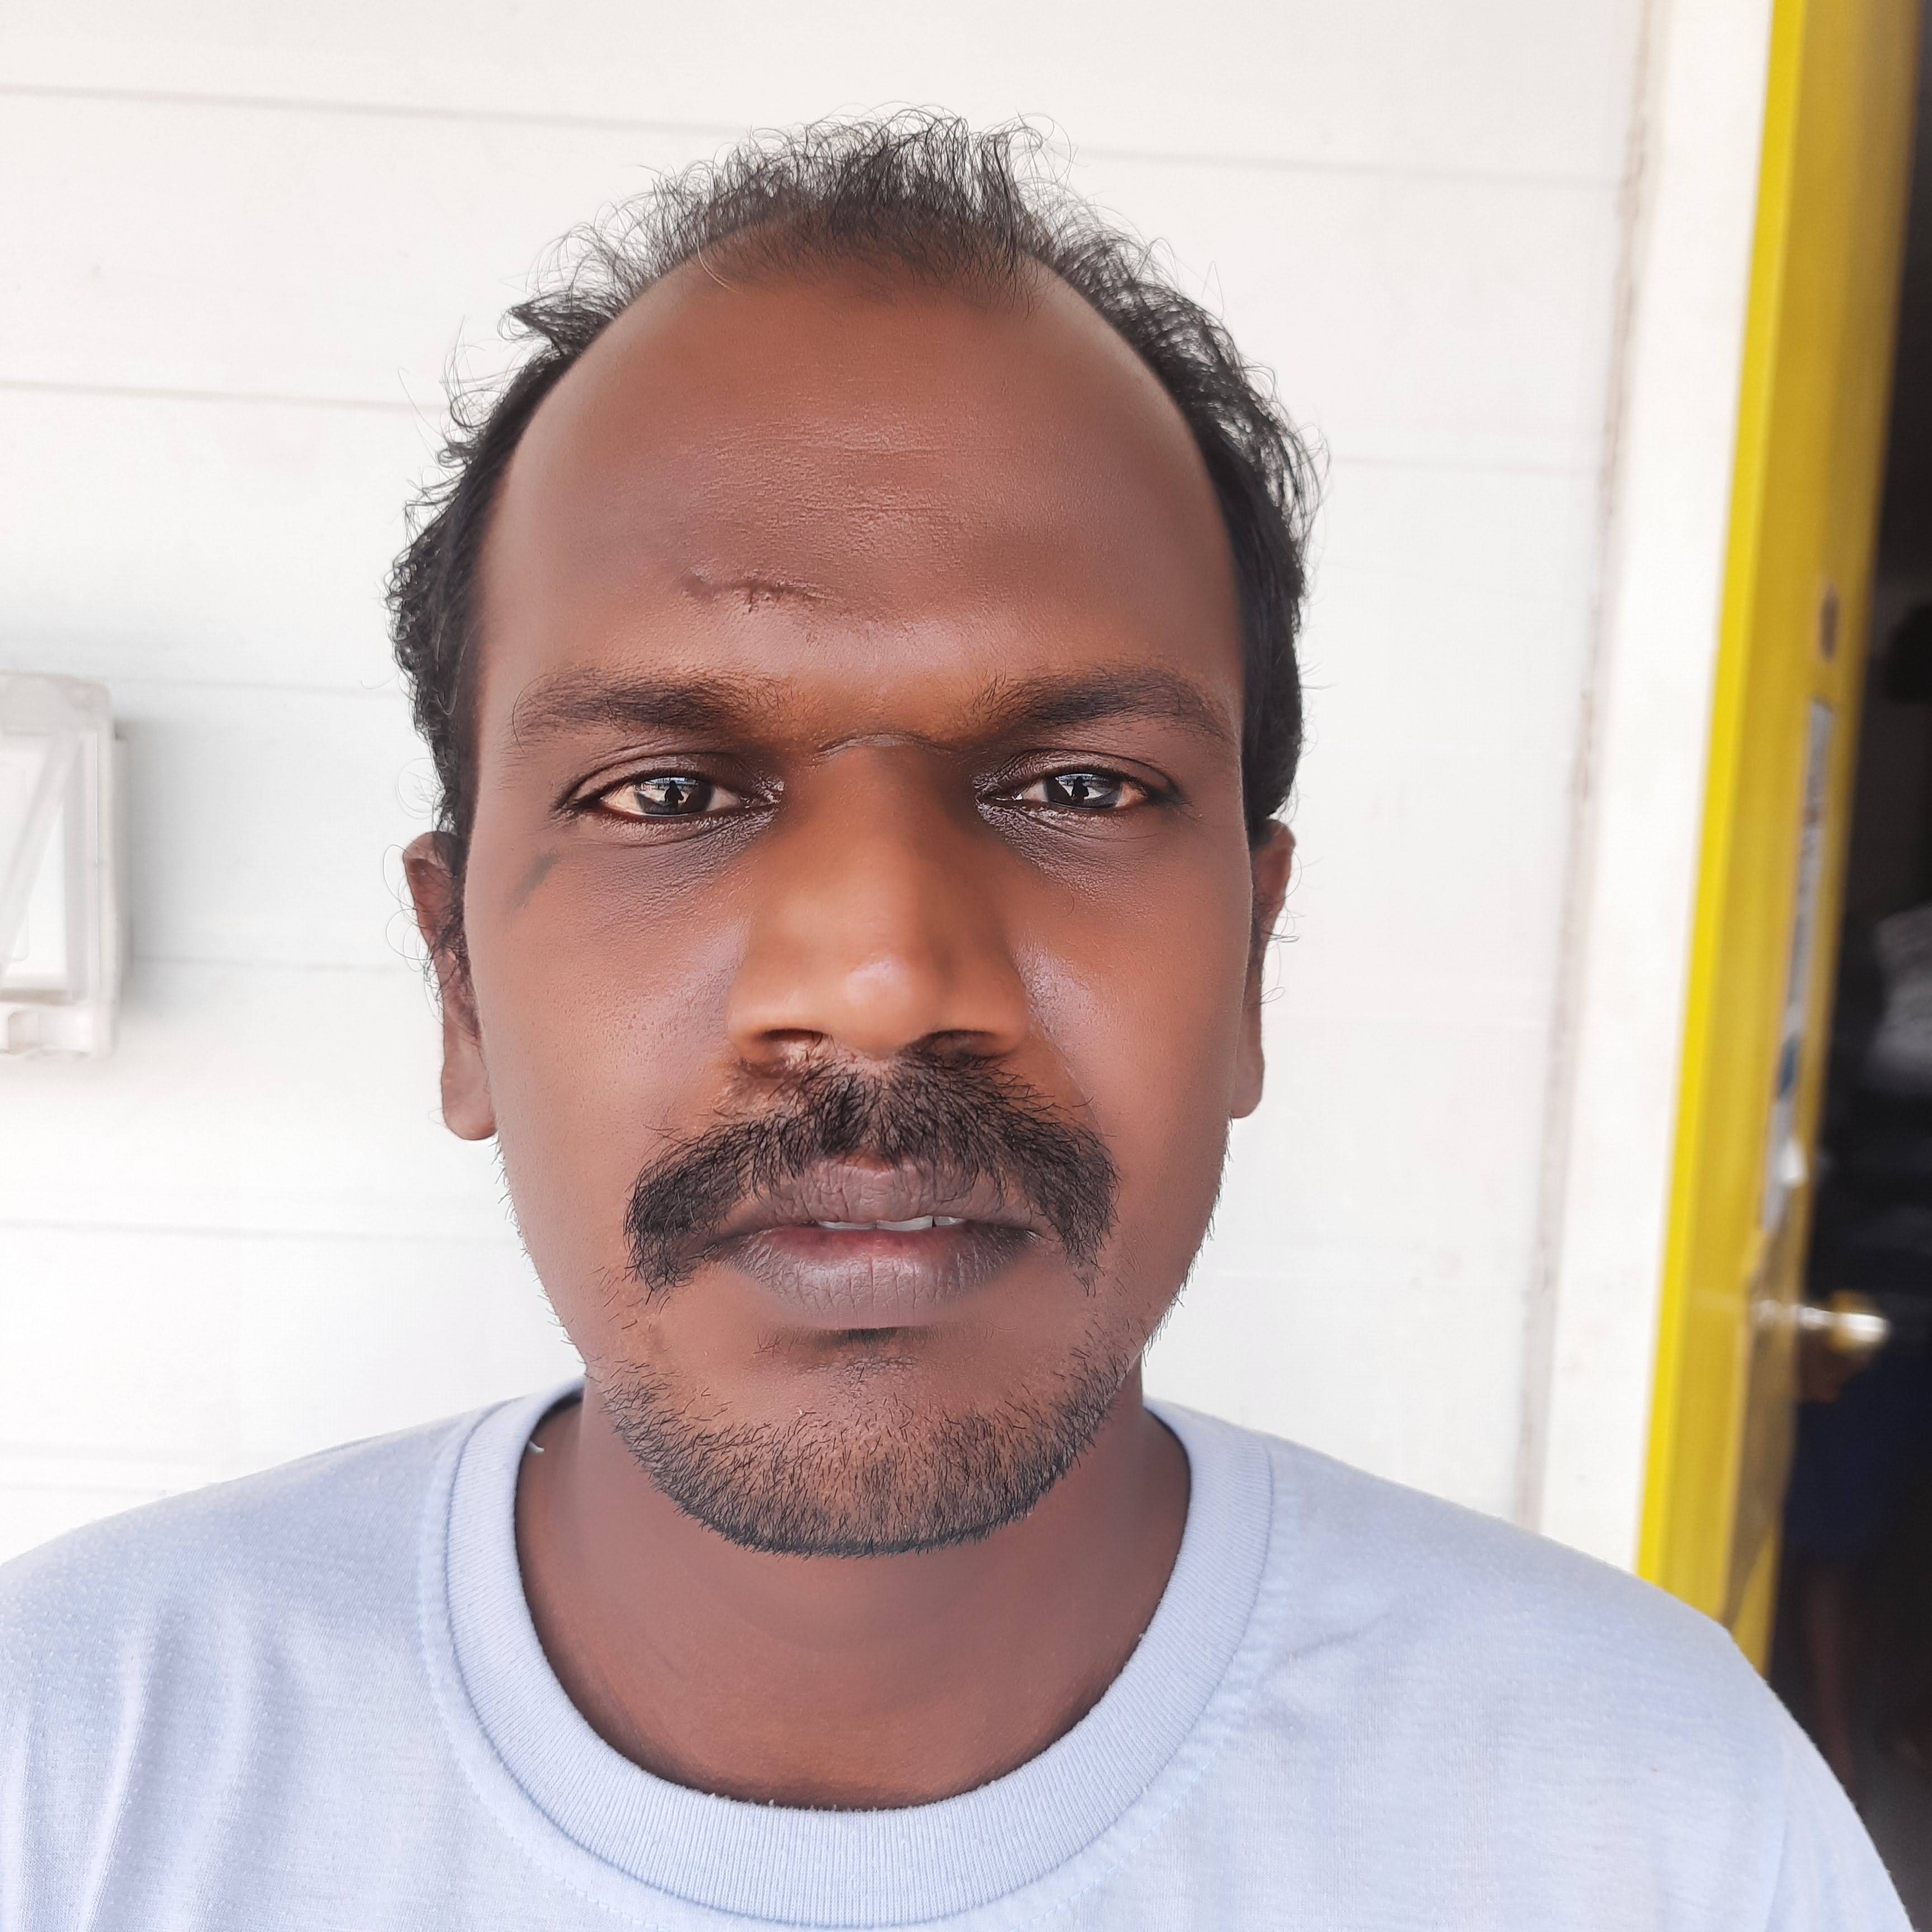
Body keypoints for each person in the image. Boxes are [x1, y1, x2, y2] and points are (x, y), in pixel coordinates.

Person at [0, 116, 1908, 1929]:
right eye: (666, 791)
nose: (878, 977)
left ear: (1253, 962)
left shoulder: (1654, 1824)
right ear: (459, 989)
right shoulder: (65, 1773)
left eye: (1078, 786)